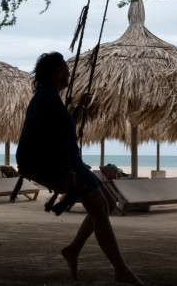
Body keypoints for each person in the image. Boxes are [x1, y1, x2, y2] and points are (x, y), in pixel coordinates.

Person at [16, 52, 144, 286]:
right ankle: (121, 270)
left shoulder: (50, 97)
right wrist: (67, 171)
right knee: (100, 210)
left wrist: (81, 106)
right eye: (65, 68)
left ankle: (73, 250)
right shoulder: (46, 97)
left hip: (70, 161)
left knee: (108, 204)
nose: (68, 73)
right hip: (66, 163)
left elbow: (65, 127)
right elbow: (46, 138)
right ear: (56, 71)